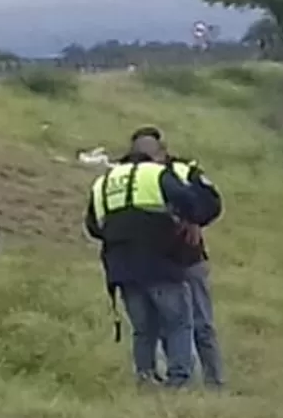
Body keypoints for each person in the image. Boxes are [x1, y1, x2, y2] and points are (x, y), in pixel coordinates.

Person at [85, 132, 218, 388]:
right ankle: (179, 383)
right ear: (155, 154)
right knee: (179, 323)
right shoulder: (157, 174)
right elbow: (193, 203)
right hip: (161, 264)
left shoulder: (103, 182)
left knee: (143, 330)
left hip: (121, 270)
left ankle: (145, 380)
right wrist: (186, 221)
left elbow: (93, 226)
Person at [127, 126, 226, 388]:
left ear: (163, 151)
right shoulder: (130, 177)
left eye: (150, 152)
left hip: (188, 258)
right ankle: (176, 382)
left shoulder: (183, 171)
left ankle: (214, 383)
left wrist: (193, 220)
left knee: (201, 325)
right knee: (162, 327)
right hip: (157, 265)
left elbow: (212, 203)